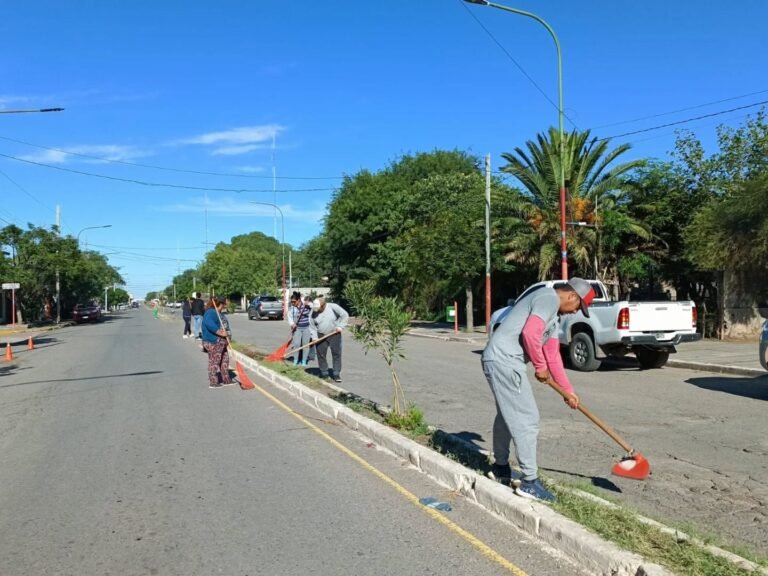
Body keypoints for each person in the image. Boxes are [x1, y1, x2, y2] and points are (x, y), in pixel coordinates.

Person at [481, 277, 595, 503]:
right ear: (572, 295)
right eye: (578, 306)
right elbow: (530, 333)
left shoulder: (554, 317)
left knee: (507, 415)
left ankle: (501, 468)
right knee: (527, 418)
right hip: (505, 360)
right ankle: (530, 482)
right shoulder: (548, 298)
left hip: (500, 360)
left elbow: (552, 355)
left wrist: (568, 391)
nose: (575, 312)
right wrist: (539, 367)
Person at [309, 296, 348, 382]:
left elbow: (345, 315)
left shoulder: (333, 307)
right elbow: (312, 326)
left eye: (318, 308)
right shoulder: (313, 311)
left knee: (336, 354)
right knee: (321, 354)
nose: (316, 311)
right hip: (320, 334)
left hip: (334, 333)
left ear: (323, 306)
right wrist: (314, 337)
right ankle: (324, 373)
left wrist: (340, 326)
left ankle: (336, 374)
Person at [202, 296, 232, 388]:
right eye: (226, 302)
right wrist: (220, 332)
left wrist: (227, 338)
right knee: (214, 361)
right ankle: (213, 382)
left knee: (225, 360)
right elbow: (208, 323)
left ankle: (226, 380)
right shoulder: (211, 312)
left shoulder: (219, 313)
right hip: (213, 342)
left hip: (221, 342)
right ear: (221, 304)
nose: (228, 304)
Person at [288, 291, 312, 366]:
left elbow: (313, 307)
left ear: (298, 300)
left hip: (307, 328)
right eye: (291, 302)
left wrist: (308, 304)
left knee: (305, 345)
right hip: (297, 329)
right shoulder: (292, 308)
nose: (293, 303)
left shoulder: (306, 306)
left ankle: (304, 361)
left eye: (294, 302)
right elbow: (289, 317)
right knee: (296, 344)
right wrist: (292, 324)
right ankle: (296, 360)